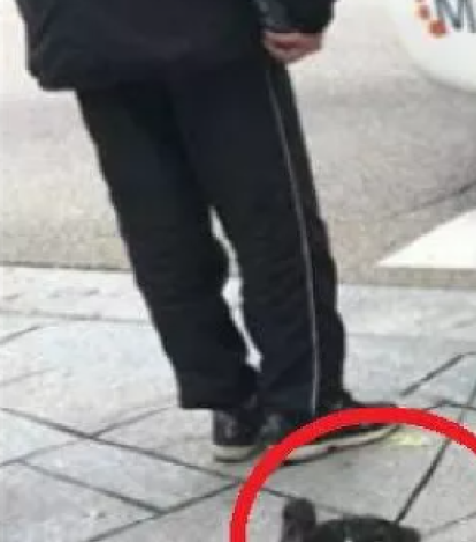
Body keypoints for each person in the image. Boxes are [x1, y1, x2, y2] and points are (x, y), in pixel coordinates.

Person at [13, 0, 397, 464]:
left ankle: (230, 403)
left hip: (86, 35)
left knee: (160, 231)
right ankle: (305, 403)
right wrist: (302, 11)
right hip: (208, 27)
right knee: (270, 221)